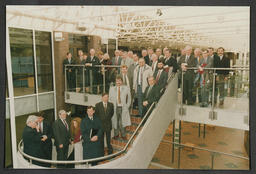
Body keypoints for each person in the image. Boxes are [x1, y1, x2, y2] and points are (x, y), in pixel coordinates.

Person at [109, 75, 131, 140]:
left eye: (119, 81)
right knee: (115, 121)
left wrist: (127, 106)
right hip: (115, 107)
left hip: (123, 108)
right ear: (115, 81)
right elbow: (110, 99)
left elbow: (129, 98)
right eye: (117, 81)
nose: (118, 82)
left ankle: (123, 135)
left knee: (122, 122)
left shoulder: (126, 88)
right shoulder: (112, 89)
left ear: (122, 81)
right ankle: (116, 135)